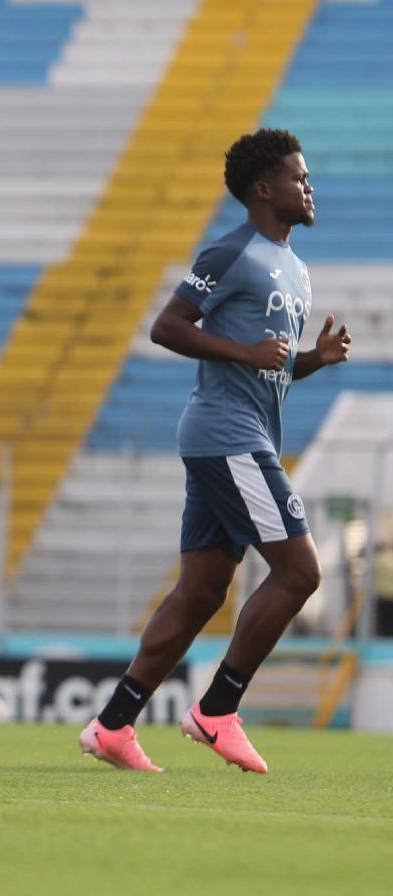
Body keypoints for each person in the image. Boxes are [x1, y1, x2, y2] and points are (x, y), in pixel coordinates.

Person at [79, 129, 351, 773]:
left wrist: (312, 359)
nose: (308, 186)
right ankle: (218, 709)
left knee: (200, 594)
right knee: (301, 572)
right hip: (226, 435)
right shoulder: (233, 253)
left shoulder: (295, 268)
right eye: (297, 177)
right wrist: (247, 353)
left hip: (235, 434)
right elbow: (167, 326)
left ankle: (113, 725)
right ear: (263, 189)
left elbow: (270, 372)